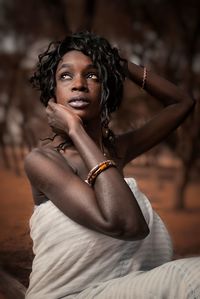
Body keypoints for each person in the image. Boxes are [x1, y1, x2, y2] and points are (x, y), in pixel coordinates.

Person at [24, 31, 200, 299]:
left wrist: (118, 63)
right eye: (66, 76)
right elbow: (128, 225)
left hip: (117, 288)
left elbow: (183, 102)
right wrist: (74, 129)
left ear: (107, 90)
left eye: (93, 75)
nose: (79, 84)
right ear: (53, 93)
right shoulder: (43, 161)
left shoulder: (116, 151)